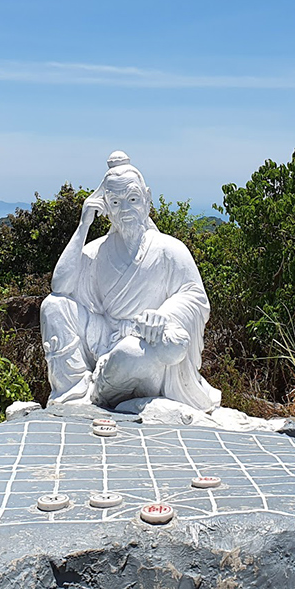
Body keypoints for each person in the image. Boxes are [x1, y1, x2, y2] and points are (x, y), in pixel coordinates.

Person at [39, 151, 221, 412]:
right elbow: (61, 287)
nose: (125, 210)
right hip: (103, 337)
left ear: (147, 199)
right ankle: (73, 393)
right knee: (53, 306)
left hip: (144, 342)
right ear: (105, 206)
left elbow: (195, 296)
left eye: (133, 199)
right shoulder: (96, 251)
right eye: (114, 202)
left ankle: (103, 391)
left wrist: (163, 316)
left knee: (132, 354)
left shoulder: (169, 249)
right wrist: (83, 225)